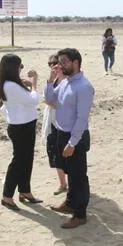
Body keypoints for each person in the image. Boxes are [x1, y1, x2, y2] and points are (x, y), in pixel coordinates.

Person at [45, 48, 95, 229]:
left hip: (75, 137)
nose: (60, 65)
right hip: (61, 132)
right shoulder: (65, 82)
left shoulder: (84, 87)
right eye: (59, 62)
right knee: (70, 173)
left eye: (64, 62)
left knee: (79, 176)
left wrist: (72, 142)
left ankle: (80, 214)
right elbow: (50, 99)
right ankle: (70, 203)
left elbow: (82, 119)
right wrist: (51, 80)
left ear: (76, 62)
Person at [0, 54, 43, 211]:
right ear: (12, 69)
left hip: (25, 124)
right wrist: (34, 84)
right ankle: (7, 196)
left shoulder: (10, 84)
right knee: (18, 162)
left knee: (26, 159)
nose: (21, 70)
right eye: (19, 67)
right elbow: (34, 100)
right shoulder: (10, 86)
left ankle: (24, 191)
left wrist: (25, 86)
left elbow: (11, 105)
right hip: (20, 127)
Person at [40, 54, 68, 195]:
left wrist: (48, 102)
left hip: (63, 123)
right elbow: (46, 96)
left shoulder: (67, 80)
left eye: (55, 63)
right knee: (55, 154)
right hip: (52, 122)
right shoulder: (54, 80)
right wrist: (50, 79)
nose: (53, 66)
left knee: (66, 155)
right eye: (50, 64)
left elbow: (62, 104)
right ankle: (62, 184)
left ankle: (69, 183)